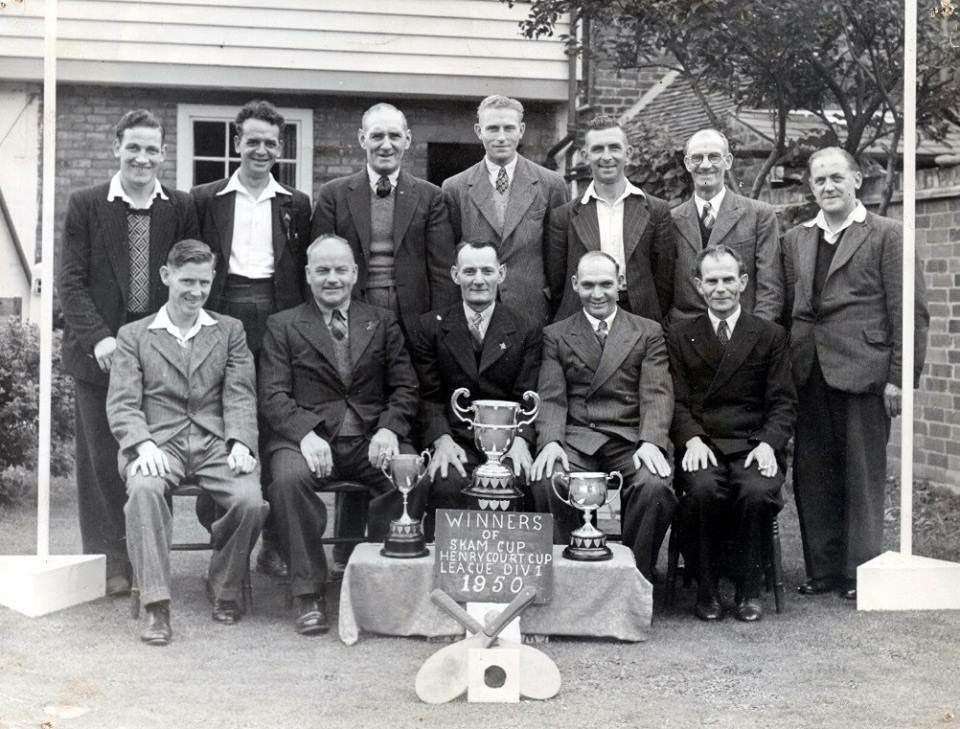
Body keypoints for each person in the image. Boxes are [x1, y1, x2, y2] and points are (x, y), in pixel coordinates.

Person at [57, 109, 198, 597]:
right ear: (116, 148)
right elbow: (70, 283)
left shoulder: (179, 207)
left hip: (156, 353)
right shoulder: (87, 204)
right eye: (133, 147)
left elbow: (188, 277)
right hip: (97, 353)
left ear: (163, 154)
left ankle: (145, 559)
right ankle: (110, 560)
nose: (142, 158)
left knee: (149, 455)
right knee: (101, 459)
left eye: (151, 149)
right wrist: (100, 338)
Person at [782, 146, 929, 601]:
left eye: (836, 178)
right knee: (813, 472)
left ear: (857, 180)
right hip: (808, 372)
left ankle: (860, 570)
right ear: (810, 187)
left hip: (865, 373)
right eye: (819, 180)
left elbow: (911, 312)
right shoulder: (795, 239)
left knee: (862, 475)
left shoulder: (887, 235)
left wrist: (900, 377)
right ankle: (823, 569)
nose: (828, 187)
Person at [106, 239, 267, 646]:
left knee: (251, 502)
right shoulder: (133, 335)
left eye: (204, 282)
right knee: (143, 491)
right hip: (159, 442)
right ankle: (156, 606)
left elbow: (240, 394)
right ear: (166, 276)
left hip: (215, 442)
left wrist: (241, 443)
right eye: (187, 281)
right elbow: (123, 403)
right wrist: (141, 446)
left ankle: (224, 584)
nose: (196, 291)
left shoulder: (230, 331)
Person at [259, 234, 419, 635]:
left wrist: (388, 429)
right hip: (307, 440)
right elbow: (273, 394)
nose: (333, 278)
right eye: (323, 270)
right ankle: (308, 592)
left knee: (409, 475)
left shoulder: (380, 320)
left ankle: (378, 580)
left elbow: (405, 387)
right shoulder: (283, 325)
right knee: (287, 480)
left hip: (368, 438)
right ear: (308, 275)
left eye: (340, 269)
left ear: (355, 273)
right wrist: (305, 434)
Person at [191, 99, 312, 579]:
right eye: (252, 141)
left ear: (279, 148)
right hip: (224, 313)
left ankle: (277, 545)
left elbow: (301, 274)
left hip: (279, 317)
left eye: (270, 142)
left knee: (275, 420)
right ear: (237, 143)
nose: (260, 150)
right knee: (223, 416)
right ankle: (226, 540)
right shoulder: (206, 198)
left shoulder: (296, 203)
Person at [666, 245, 797, 622]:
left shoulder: (770, 335)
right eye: (712, 281)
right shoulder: (679, 335)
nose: (720, 288)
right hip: (702, 443)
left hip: (754, 443)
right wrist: (690, 438)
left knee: (756, 491)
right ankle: (706, 588)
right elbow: (675, 400)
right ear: (698, 286)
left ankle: (748, 587)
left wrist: (771, 444)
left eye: (728, 280)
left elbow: (783, 402)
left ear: (742, 282)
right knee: (702, 489)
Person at [530, 251, 676, 581]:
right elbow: (552, 396)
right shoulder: (556, 333)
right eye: (589, 285)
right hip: (578, 438)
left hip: (629, 438)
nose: (598, 294)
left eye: (606, 284)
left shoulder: (648, 331)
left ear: (620, 283)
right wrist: (551, 441)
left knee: (654, 486)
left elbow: (657, 392)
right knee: (546, 480)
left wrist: (652, 440)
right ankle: (567, 577)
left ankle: (634, 577)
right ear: (575, 285)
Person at [409, 240, 543, 535]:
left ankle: (510, 569)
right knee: (446, 482)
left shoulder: (526, 328)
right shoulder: (430, 327)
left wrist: (521, 439)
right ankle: (447, 574)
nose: (479, 280)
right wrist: (441, 439)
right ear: (455, 275)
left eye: (487, 270)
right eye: (469, 271)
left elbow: (527, 394)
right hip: (456, 439)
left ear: (502, 273)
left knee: (520, 481)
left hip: (508, 440)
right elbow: (428, 396)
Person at [310, 101, 457, 340]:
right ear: (362, 139)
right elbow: (317, 264)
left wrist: (436, 325)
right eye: (377, 136)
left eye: (394, 136)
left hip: (413, 315)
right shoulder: (333, 195)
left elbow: (442, 272)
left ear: (407, 140)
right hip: (351, 309)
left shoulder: (431, 196)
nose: (386, 145)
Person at [442, 95, 569, 329]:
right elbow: (452, 253)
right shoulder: (455, 187)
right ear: (479, 131)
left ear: (521, 130)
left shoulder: (551, 184)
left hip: (531, 308)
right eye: (492, 128)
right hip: (475, 306)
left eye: (508, 128)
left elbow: (558, 256)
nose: (501, 137)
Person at [548, 115, 675, 324]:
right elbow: (557, 283)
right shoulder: (564, 216)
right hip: (581, 317)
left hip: (640, 317)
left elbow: (664, 280)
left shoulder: (656, 210)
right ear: (585, 155)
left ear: (628, 153)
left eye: (614, 147)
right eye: (598, 149)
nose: (606, 157)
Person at [669, 129, 783, 325]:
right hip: (687, 339)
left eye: (714, 157)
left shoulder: (759, 215)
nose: (705, 165)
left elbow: (770, 289)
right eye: (697, 158)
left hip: (746, 333)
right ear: (687, 164)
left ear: (728, 161)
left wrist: (754, 337)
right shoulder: (672, 220)